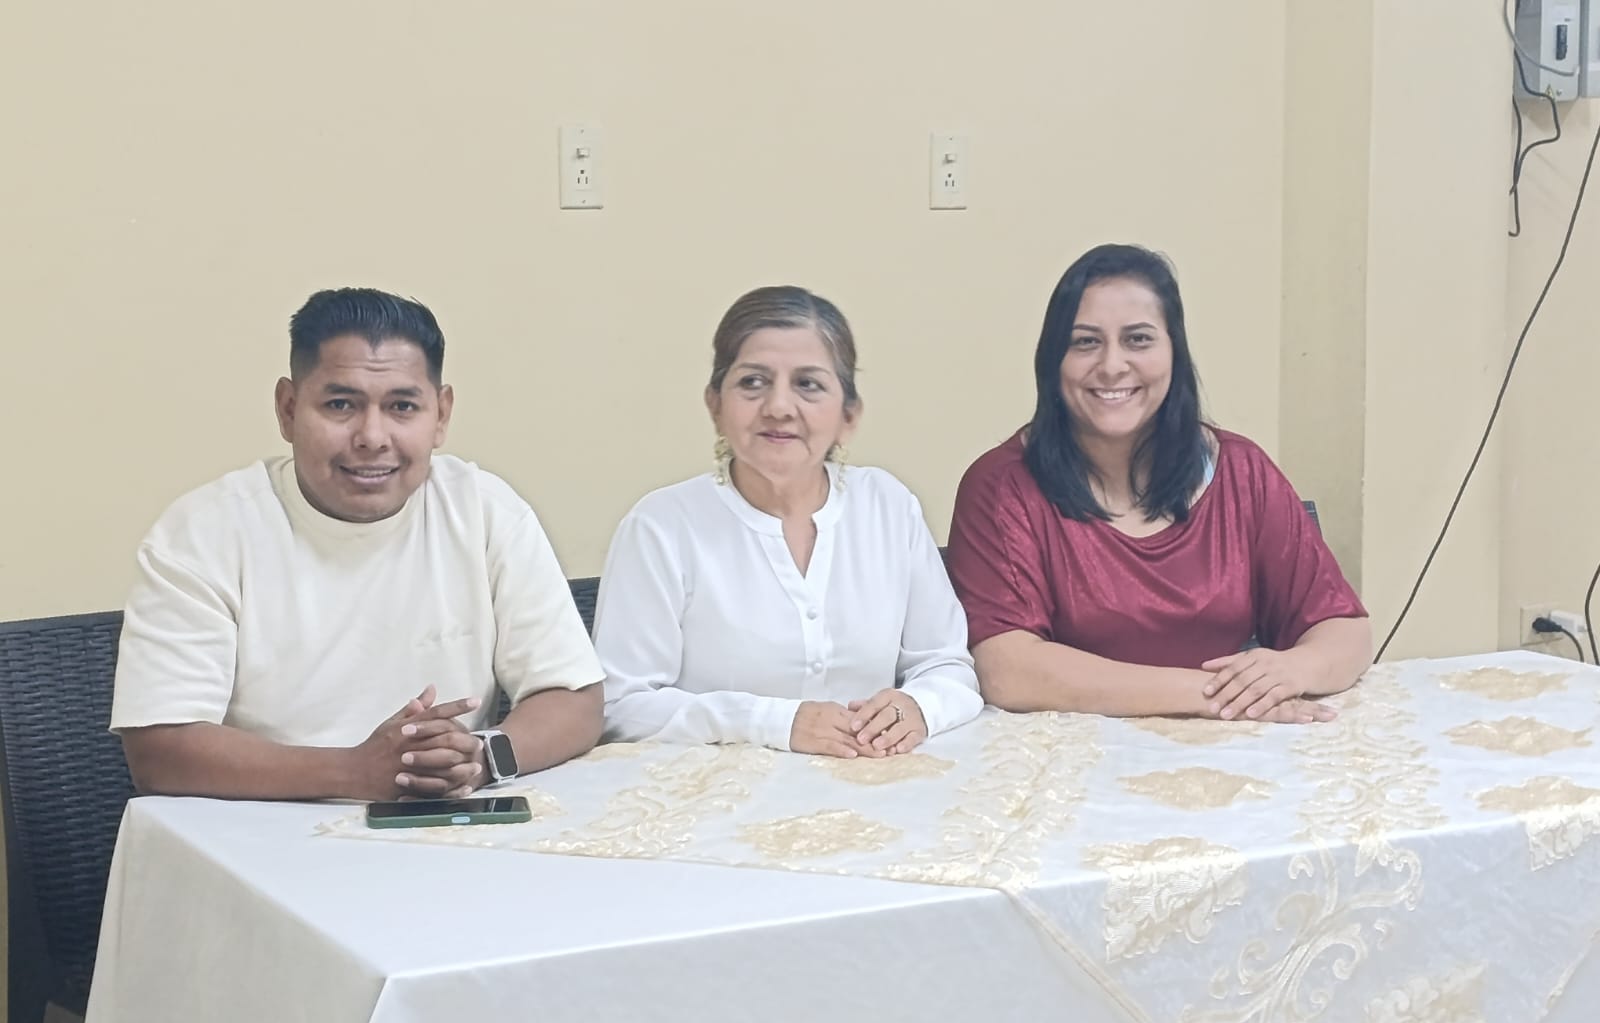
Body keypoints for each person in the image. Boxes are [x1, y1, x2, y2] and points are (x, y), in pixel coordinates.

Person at [112, 287, 603, 800]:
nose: (372, 437)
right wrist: (354, 772)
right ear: (288, 409)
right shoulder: (204, 531)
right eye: (341, 405)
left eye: (402, 406)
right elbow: (159, 751)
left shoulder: (483, 510)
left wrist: (480, 758)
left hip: (444, 823)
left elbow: (575, 699)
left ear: (440, 415)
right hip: (262, 824)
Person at [946, 244, 1371, 723]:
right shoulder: (1001, 487)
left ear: (1174, 351)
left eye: (1138, 339)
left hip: (1235, 754)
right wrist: (1215, 697)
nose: (1112, 365)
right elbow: (1006, 668)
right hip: (1072, 759)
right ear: (1052, 360)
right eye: (1085, 342)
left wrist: (1295, 668)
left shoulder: (1241, 470)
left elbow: (1345, 629)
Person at [593, 285, 982, 758]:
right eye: (753, 382)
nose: (778, 407)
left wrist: (920, 706)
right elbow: (619, 706)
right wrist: (773, 722)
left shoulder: (888, 506)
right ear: (715, 405)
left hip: (875, 784)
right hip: (714, 793)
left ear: (849, 415)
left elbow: (948, 666)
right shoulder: (662, 526)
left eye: (808, 384)